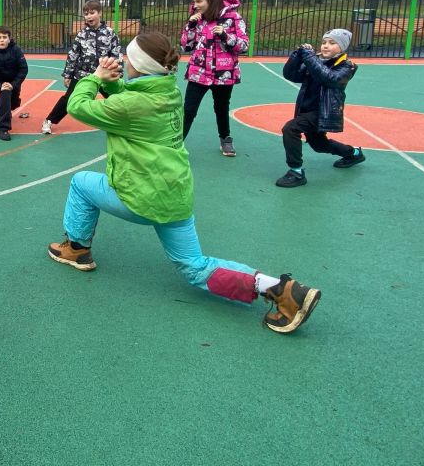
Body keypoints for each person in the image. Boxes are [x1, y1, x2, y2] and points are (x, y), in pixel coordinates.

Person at [46, 32, 321, 334]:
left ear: (138, 64)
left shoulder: (132, 104)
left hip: (141, 197)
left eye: (128, 57)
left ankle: (77, 249)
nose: (124, 61)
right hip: (175, 194)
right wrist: (112, 84)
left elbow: (77, 107)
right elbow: (129, 98)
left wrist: (95, 78)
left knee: (81, 182)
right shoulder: (169, 90)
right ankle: (281, 289)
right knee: (193, 266)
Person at [276, 28, 364, 188]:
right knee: (319, 145)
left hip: (324, 112)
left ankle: (296, 172)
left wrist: (309, 57)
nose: (326, 46)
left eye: (332, 43)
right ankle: (354, 153)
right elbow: (292, 75)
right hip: (307, 109)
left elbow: (329, 78)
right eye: (324, 42)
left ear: (342, 47)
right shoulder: (316, 60)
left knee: (290, 129)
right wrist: (297, 56)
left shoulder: (347, 66)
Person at [179, 0, 249, 156]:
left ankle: (225, 139)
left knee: (221, 107)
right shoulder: (197, 18)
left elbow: (244, 46)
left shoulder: (233, 18)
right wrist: (190, 26)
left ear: (211, 0)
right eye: (194, 1)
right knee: (189, 110)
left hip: (224, 73)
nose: (195, 5)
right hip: (199, 72)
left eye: (199, 1)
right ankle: (176, 143)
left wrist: (225, 36)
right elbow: (186, 46)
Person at [41, 0, 120, 135]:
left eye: (92, 13)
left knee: (115, 97)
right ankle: (49, 120)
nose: (89, 16)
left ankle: (124, 119)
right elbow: (73, 55)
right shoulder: (81, 34)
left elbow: (116, 53)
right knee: (69, 98)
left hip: (103, 73)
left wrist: (117, 72)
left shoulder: (110, 33)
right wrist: (68, 74)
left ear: (100, 13)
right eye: (86, 14)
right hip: (82, 74)